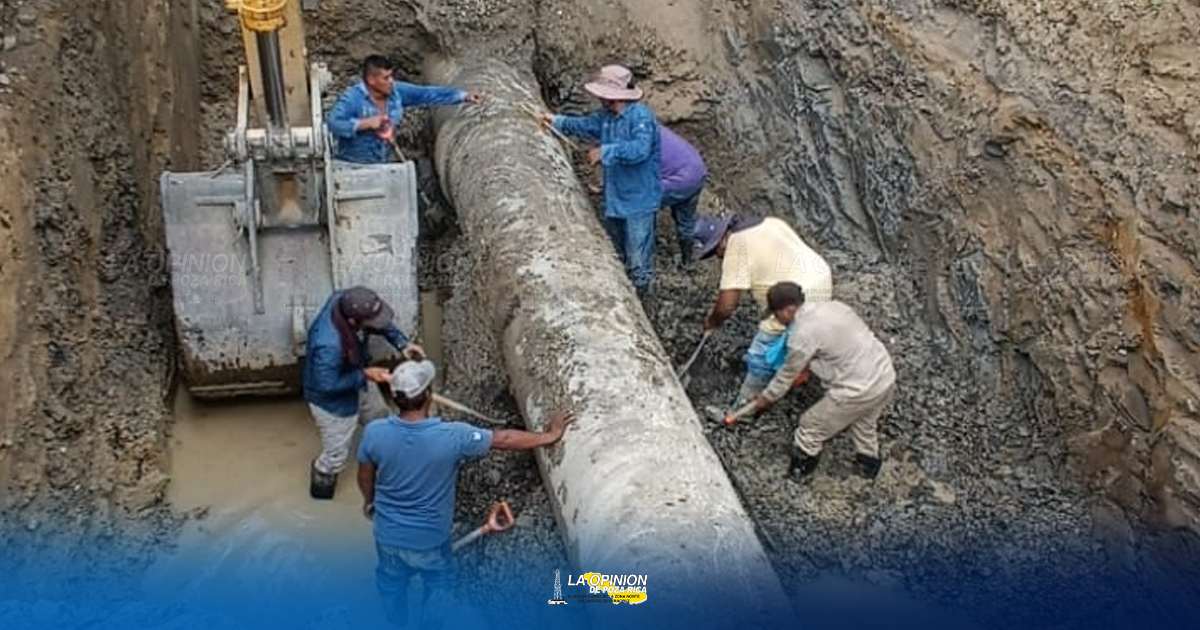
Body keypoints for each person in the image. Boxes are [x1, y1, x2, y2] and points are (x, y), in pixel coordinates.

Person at [357, 359, 575, 628]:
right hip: (430, 540)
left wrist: (369, 502)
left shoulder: (375, 433)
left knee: (391, 585)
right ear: (427, 394)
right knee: (439, 586)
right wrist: (549, 436)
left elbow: (365, 474)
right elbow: (503, 439)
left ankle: (397, 624)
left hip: (387, 535)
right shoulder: (451, 437)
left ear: (395, 397)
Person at [748, 281, 896, 481]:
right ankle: (868, 470)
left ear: (789, 309)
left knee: (810, 427)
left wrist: (765, 399)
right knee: (864, 424)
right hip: (883, 375)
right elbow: (837, 347)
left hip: (858, 388)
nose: (776, 319)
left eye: (776, 313)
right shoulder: (835, 307)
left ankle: (798, 477)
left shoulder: (802, 334)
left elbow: (786, 376)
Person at [694, 214, 835, 415]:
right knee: (804, 335)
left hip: (796, 298)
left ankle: (743, 409)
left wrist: (711, 323)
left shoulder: (736, 247)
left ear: (722, 239)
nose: (718, 256)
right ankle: (801, 369)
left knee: (762, 352)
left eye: (716, 251)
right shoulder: (768, 222)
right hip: (820, 278)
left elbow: (727, 305)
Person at [541, 65, 662, 298]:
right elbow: (584, 126)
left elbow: (640, 150)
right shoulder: (606, 117)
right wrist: (555, 121)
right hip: (615, 197)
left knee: (637, 260)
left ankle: (642, 302)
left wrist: (605, 152)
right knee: (616, 251)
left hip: (639, 201)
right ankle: (622, 293)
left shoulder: (641, 118)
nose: (599, 98)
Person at [302, 285, 422, 499]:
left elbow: (380, 323)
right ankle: (321, 490)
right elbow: (326, 385)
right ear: (353, 322)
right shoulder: (328, 345)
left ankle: (389, 463)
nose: (376, 324)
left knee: (381, 419)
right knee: (335, 457)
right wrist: (366, 374)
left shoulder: (345, 300)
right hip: (332, 403)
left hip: (357, 374)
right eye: (369, 322)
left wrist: (401, 343)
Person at [327, 54, 481, 164]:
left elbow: (426, 94)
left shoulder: (395, 92)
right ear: (371, 80)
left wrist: (462, 96)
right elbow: (333, 123)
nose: (391, 81)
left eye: (391, 76)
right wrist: (364, 124)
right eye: (386, 78)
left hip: (384, 162)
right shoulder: (353, 98)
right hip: (354, 166)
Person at [659, 125, 707, 271]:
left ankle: (640, 265)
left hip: (680, 177)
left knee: (642, 206)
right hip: (697, 172)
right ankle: (688, 261)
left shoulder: (636, 139)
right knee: (686, 220)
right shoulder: (654, 128)